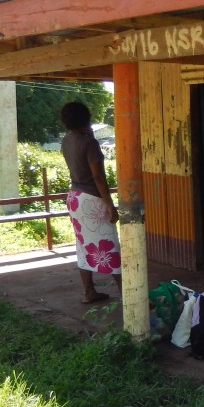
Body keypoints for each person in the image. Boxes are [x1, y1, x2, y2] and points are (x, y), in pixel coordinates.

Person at [60, 101, 122, 304]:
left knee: (83, 246)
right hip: (92, 199)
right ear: (86, 118)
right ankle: (127, 292)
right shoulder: (90, 143)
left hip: (75, 197)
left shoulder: (67, 140)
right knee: (110, 244)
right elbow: (98, 178)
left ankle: (89, 292)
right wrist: (110, 205)